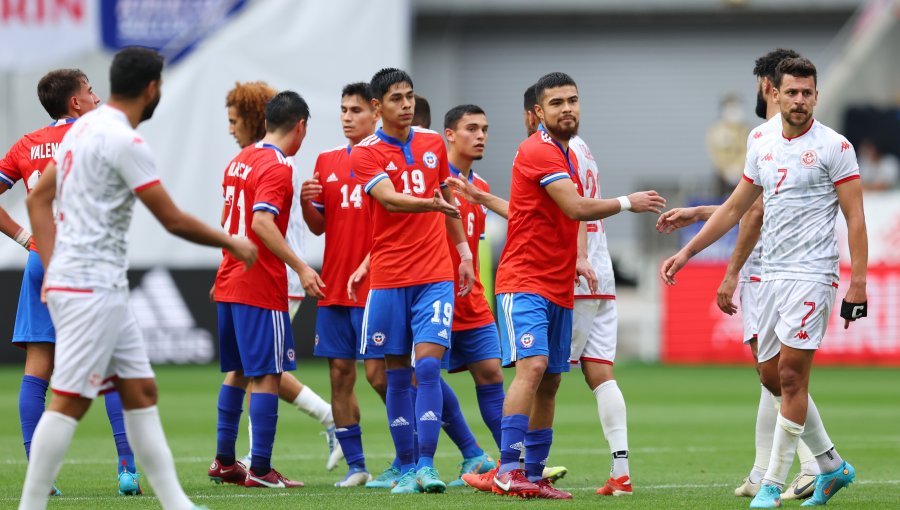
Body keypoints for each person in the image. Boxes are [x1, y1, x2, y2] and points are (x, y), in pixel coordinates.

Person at [19, 46, 256, 510]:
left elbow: (36, 200)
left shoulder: (83, 129)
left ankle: (176, 503)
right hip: (90, 288)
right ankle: (30, 505)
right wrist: (232, 242)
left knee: (141, 390)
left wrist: (51, 261)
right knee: (69, 399)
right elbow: (172, 220)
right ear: (152, 89)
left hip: (99, 285)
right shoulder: (125, 142)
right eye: (161, 87)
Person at [660, 57, 866, 509]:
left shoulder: (836, 147)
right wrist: (687, 251)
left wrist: (858, 283)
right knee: (771, 378)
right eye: (791, 92)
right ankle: (831, 466)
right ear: (777, 92)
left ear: (817, 94)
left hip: (812, 274)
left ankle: (771, 483)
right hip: (768, 274)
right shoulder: (760, 140)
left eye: (807, 93)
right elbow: (737, 208)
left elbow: (855, 217)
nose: (798, 100)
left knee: (792, 377)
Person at [489, 72, 664, 499]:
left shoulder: (569, 154)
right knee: (532, 369)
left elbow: (570, 214)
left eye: (573, 100)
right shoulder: (539, 149)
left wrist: (580, 257)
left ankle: (532, 474)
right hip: (526, 280)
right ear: (538, 114)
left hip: (561, 283)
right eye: (556, 103)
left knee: (551, 378)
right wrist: (629, 202)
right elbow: (576, 206)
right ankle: (507, 469)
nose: (567, 108)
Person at [0, 69, 144, 497]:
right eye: (90, 90)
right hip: (86, 263)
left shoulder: (27, 144)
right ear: (75, 103)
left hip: (42, 259)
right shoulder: (99, 137)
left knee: (37, 372)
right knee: (114, 370)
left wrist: (25, 237)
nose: (97, 97)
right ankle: (127, 471)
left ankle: (41, 481)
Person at [348, 67, 474, 494]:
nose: (406, 104)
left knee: (428, 365)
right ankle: (404, 466)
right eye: (396, 98)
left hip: (434, 273)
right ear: (378, 106)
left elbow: (450, 203)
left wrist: (463, 254)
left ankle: (425, 466)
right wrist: (431, 204)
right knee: (394, 373)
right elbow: (388, 199)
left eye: (409, 96)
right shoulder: (364, 153)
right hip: (389, 277)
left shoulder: (433, 143)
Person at [218, 81, 340, 474]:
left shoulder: (241, 160)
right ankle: (261, 464)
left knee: (243, 369)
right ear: (300, 127)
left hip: (234, 278)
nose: (231, 128)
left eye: (234, 120)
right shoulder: (278, 165)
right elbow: (262, 224)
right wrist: (302, 267)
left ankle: (226, 460)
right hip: (267, 279)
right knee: (266, 370)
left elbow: (233, 223)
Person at [299, 82, 389, 487]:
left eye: (355, 110)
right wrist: (306, 202)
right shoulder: (327, 160)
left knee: (383, 377)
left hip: (378, 284)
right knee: (339, 373)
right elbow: (320, 227)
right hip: (335, 284)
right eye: (343, 110)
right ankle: (357, 466)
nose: (347, 117)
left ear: (375, 112)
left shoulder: (386, 158)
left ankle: (415, 453)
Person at [432, 104, 505, 487]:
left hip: (472, 298)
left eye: (485, 129)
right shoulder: (431, 180)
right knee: (419, 375)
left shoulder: (483, 190)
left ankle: (514, 463)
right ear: (449, 134)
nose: (481, 136)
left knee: (492, 373)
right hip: (434, 295)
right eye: (471, 128)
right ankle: (472, 453)